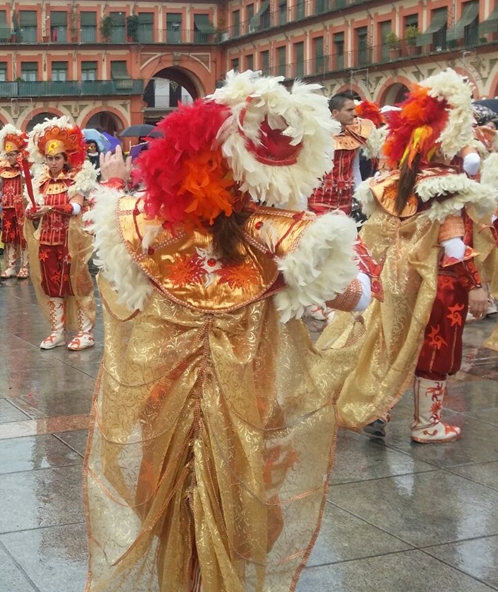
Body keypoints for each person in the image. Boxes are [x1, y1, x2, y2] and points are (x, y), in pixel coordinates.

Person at [83, 72, 380, 592]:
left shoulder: (153, 225)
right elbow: (356, 296)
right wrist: (362, 264)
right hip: (249, 398)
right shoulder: (283, 237)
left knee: (173, 499)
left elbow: (105, 266)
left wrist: (113, 182)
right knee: (237, 506)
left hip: (165, 396)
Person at [318, 69, 494, 443]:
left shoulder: (397, 182)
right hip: (438, 280)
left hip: (394, 275)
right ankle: (426, 424)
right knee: (436, 346)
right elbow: (453, 244)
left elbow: (373, 237)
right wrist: (476, 287)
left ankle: (376, 409)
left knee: (388, 340)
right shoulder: (446, 188)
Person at [24, 116, 97, 350]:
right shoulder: (40, 182)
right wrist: (32, 212)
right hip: (47, 242)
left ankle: (86, 333)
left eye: (57, 158)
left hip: (70, 242)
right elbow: (30, 207)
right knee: (53, 287)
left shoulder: (76, 179)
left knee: (76, 285)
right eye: (49, 158)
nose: (53, 162)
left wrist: (52, 208)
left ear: (66, 158)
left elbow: (75, 207)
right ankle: (57, 332)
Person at [307, 91, 374, 215]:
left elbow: (355, 168)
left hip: (345, 203)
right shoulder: (318, 135)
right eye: (349, 110)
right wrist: (301, 205)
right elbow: (306, 169)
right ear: (335, 113)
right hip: (318, 202)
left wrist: (359, 195)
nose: (354, 114)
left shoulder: (356, 134)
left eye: (354, 109)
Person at [0, 125, 30, 279]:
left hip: (21, 210)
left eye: (12, 154)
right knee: (9, 239)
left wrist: (23, 164)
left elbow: (29, 184)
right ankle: (10, 266)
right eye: (7, 154)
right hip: (8, 211)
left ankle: (25, 266)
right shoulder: (3, 171)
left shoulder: (25, 170)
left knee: (23, 238)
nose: (9, 158)